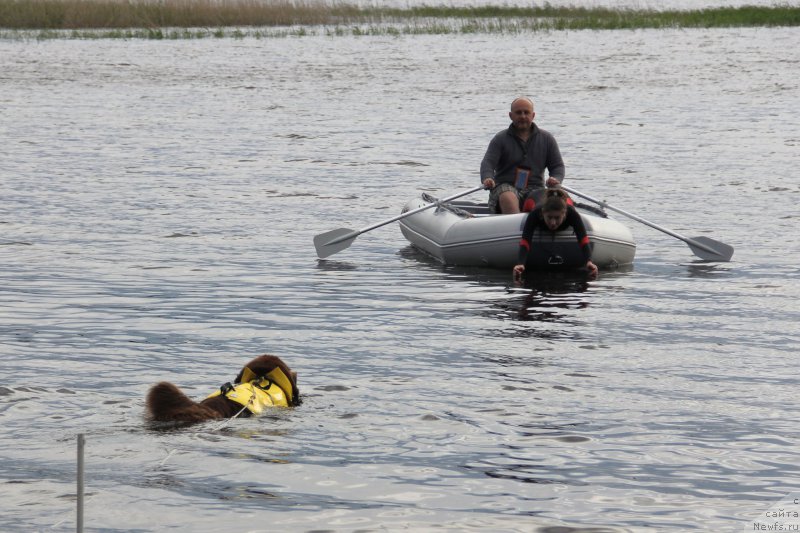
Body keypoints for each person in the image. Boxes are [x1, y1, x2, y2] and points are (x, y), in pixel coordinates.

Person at [480, 97, 565, 214]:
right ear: (511, 115)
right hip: (505, 187)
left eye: (526, 112)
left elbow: (557, 166)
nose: (523, 116)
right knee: (508, 196)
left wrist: (556, 178)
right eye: (518, 113)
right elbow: (488, 163)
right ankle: (515, 228)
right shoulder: (500, 139)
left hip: (535, 188)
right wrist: (487, 178)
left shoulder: (547, 139)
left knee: (549, 199)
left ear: (533, 115)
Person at [514, 188, 598, 280]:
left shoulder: (571, 213)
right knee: (526, 206)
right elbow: (525, 240)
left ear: (564, 214)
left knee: (570, 203)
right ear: (543, 213)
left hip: (564, 201)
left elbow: (583, 239)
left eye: (557, 218)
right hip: (534, 196)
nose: (553, 223)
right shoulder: (536, 213)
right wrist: (520, 263)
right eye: (549, 217)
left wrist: (589, 261)